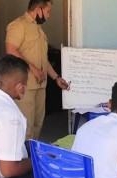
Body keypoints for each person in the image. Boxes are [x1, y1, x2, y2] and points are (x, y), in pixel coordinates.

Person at [5, 0, 69, 140]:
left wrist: (56, 78)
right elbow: (11, 50)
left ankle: (31, 158)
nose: (48, 15)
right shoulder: (19, 25)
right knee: (25, 127)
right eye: (48, 11)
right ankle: (23, 159)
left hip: (40, 85)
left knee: (37, 125)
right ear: (39, 9)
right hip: (24, 86)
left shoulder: (38, 29)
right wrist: (33, 70)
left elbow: (43, 60)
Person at [0, 54, 36, 178]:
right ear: (20, 87)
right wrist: (35, 161)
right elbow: (9, 170)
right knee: (51, 174)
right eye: (26, 84)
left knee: (32, 146)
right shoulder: (11, 116)